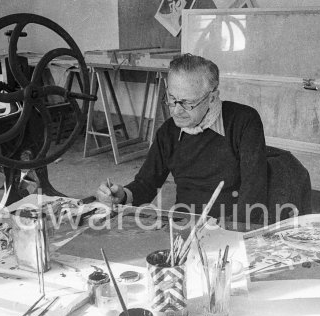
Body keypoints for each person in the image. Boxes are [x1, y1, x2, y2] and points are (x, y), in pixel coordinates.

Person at [97, 53, 268, 225]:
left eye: (187, 103)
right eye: (172, 99)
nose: (176, 111)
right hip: (185, 224)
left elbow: (253, 191)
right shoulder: (168, 132)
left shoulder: (244, 121)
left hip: (230, 225)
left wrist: (230, 233)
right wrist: (123, 195)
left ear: (212, 98)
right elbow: (146, 183)